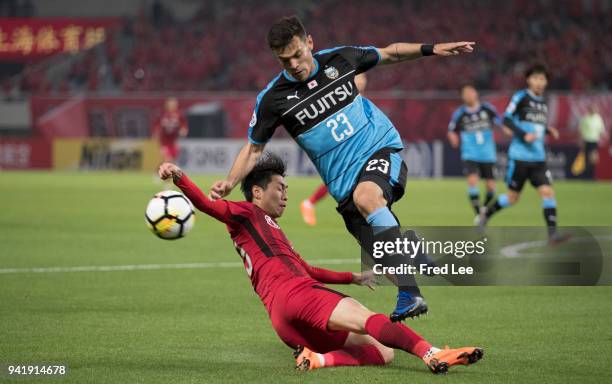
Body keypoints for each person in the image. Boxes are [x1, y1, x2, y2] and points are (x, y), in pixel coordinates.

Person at [209, 15, 475, 321]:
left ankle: (411, 294)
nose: (294, 64)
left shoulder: (339, 59)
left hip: (379, 147)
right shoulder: (273, 99)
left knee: (367, 197)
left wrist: (433, 48)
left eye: (298, 54)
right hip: (342, 185)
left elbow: (389, 53)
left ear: (309, 43)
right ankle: (408, 252)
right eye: (285, 61)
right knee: (386, 261)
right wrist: (231, 181)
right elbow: (254, 148)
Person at [158, 153, 483, 374]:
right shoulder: (245, 213)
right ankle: (432, 352)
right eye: (280, 189)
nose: (285, 195)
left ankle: (319, 359)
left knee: (384, 353)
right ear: (256, 192)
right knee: (366, 317)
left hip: (284, 320)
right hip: (298, 295)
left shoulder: (269, 229)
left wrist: (353, 277)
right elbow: (205, 204)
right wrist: (180, 176)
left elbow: (309, 269)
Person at [479, 64, 569, 244]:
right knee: (512, 198)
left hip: (538, 159)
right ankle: (486, 213)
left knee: (548, 193)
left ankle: (552, 235)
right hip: (520, 158)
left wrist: (548, 130)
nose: (539, 82)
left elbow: (536, 127)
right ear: (529, 80)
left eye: (542, 79)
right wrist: (523, 134)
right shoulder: (521, 97)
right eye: (536, 78)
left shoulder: (543, 103)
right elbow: (506, 118)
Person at [300, 73, 368, 227]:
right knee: (343, 178)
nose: (363, 81)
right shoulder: (340, 97)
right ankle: (310, 203)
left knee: (348, 179)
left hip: (355, 145)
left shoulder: (360, 100)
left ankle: (310, 203)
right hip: (339, 144)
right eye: (360, 78)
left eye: (364, 79)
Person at [448, 84, 501, 222]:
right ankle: (478, 214)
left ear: (476, 93)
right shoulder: (460, 113)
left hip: (488, 154)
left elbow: (500, 123)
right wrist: (454, 138)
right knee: (472, 182)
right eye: (465, 93)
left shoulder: (487, 109)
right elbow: (452, 130)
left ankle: (484, 208)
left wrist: (508, 131)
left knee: (491, 187)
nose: (468, 95)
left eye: (470, 92)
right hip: (470, 154)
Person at [152, 97, 188, 163]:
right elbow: (156, 125)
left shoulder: (179, 115)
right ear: (167, 104)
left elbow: (183, 125)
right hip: (164, 141)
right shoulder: (162, 114)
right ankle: (162, 171)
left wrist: (183, 130)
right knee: (168, 158)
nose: (173, 105)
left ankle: (160, 171)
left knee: (173, 159)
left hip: (173, 141)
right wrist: (155, 132)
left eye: (174, 103)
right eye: (171, 103)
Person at [576, 104, 607, 179]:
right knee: (586, 158)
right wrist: (580, 140)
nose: (594, 110)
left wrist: (605, 137)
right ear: (589, 109)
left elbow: (601, 130)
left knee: (594, 159)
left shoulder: (598, 118)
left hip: (594, 140)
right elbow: (580, 130)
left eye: (595, 109)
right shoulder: (585, 118)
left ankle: (592, 174)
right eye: (592, 108)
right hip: (586, 140)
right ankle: (586, 175)